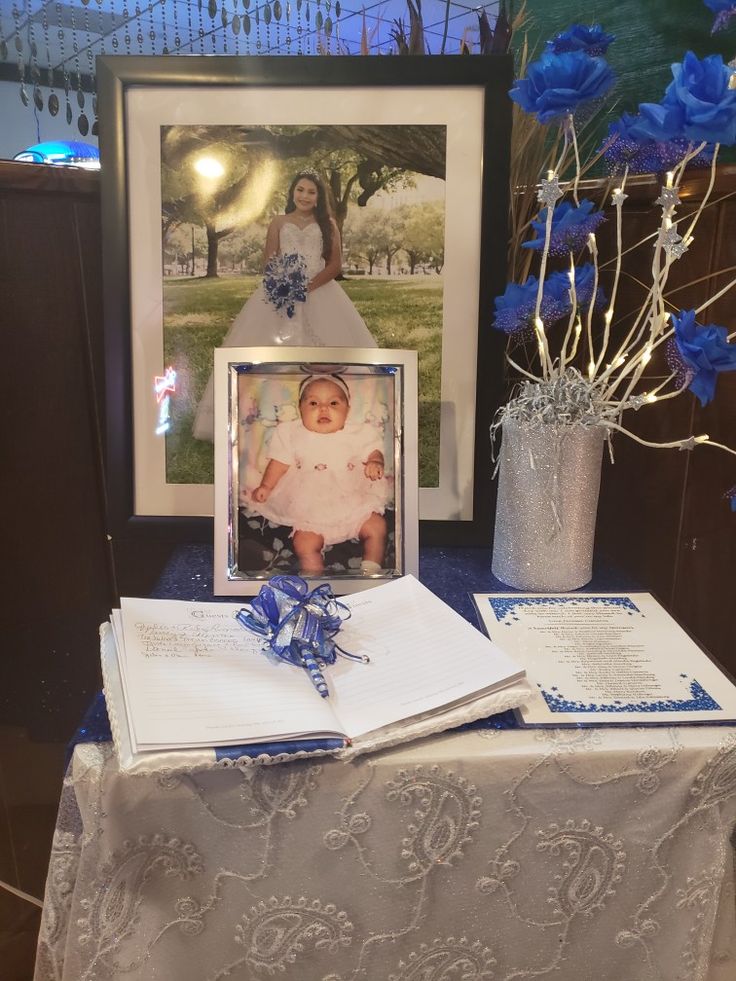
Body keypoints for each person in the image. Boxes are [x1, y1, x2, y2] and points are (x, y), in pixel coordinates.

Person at [193, 171, 376, 440]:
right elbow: (269, 259)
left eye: (311, 192)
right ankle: (267, 414)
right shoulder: (278, 222)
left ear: (318, 197)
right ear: (292, 192)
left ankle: (331, 412)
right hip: (281, 293)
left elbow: (335, 265)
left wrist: (306, 287)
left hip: (320, 292)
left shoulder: (328, 224)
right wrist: (283, 284)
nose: (304, 196)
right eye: (300, 190)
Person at [246, 374, 388, 576]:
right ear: (300, 409)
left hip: (352, 498)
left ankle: (371, 569)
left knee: (376, 526)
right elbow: (279, 462)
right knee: (303, 542)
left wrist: (375, 461)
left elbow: (373, 450)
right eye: (313, 403)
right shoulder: (290, 433)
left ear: (347, 410)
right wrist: (266, 486)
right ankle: (314, 578)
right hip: (310, 507)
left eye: (333, 403)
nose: (323, 409)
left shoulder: (357, 433)